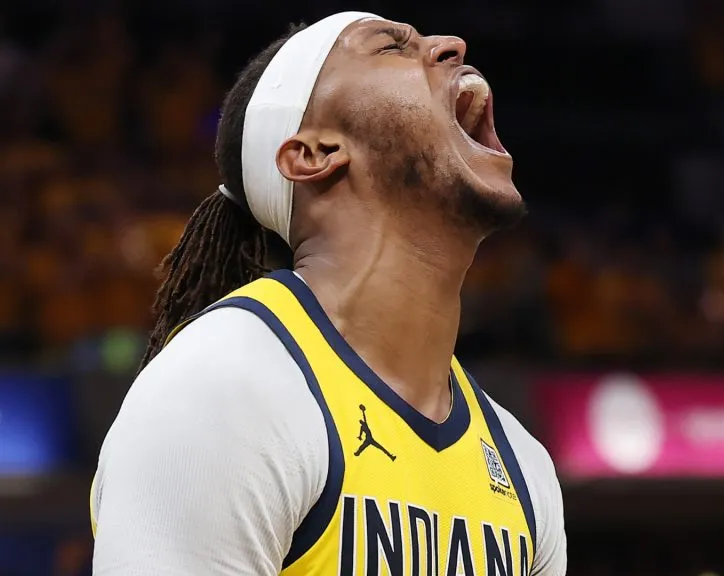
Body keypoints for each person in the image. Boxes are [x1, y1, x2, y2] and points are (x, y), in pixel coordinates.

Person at [89, 11, 567, 576]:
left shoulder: (523, 468)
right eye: (391, 47)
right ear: (313, 152)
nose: (450, 45)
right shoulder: (223, 387)